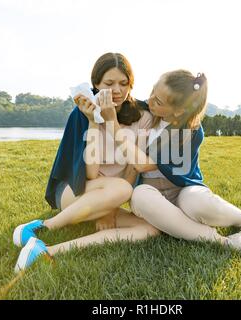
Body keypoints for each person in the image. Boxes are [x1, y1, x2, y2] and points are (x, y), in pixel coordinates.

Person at [13, 53, 159, 272]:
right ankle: (42, 228)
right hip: (77, 192)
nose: (117, 90)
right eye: (109, 84)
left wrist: (110, 208)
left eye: (123, 83)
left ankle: (46, 250)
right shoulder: (85, 111)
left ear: (131, 84)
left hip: (113, 195)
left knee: (148, 229)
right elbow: (89, 174)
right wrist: (93, 121)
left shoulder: (142, 115)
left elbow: (134, 167)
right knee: (120, 187)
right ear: (96, 84)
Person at [127, 70, 241, 262]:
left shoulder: (189, 132)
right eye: (153, 91)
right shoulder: (146, 109)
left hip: (181, 191)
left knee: (196, 202)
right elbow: (120, 102)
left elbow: (143, 165)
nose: (150, 100)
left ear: (178, 111)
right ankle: (228, 242)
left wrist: (112, 124)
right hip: (151, 195)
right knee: (140, 195)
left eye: (158, 101)